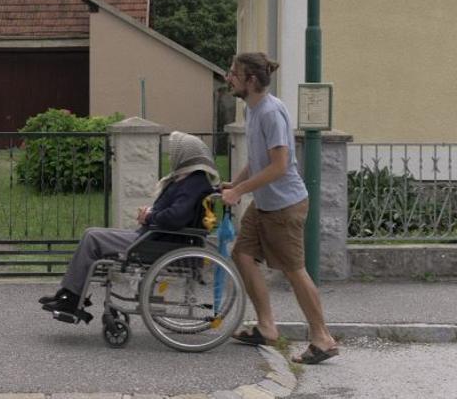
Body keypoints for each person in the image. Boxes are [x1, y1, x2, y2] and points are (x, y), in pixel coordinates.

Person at [222, 52, 339, 365]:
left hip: (285, 206)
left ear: (251, 80)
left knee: (294, 271)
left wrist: (240, 192)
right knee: (243, 255)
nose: (228, 78)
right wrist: (232, 185)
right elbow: (257, 159)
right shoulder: (253, 110)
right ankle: (266, 327)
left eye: (233, 73)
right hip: (264, 204)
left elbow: (278, 166)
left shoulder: (271, 112)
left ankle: (322, 338)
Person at [40, 131, 220, 319]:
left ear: (183, 155)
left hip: (158, 242)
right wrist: (150, 214)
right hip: (157, 237)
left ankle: (71, 297)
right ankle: (69, 294)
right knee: (92, 233)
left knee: (92, 237)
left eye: (173, 153)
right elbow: (176, 212)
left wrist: (149, 216)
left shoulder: (193, 183)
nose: (170, 156)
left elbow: (175, 217)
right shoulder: (190, 180)